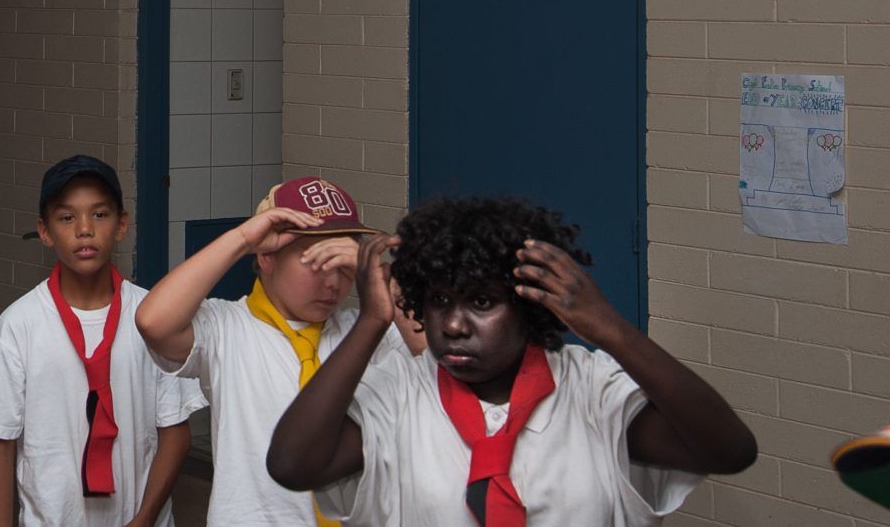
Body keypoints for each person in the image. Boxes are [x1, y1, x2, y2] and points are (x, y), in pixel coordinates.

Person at [266, 197, 759, 526]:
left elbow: (729, 451)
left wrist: (611, 329)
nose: (454, 325)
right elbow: (291, 465)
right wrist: (373, 321)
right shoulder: (398, 390)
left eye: (482, 303)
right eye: (439, 300)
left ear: (530, 306)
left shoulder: (591, 390)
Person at [135, 177, 424, 526]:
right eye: (317, 260)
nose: (333, 283)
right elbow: (153, 322)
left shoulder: (364, 331)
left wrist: (379, 276)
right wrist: (242, 239)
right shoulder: (229, 328)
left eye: (344, 266)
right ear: (268, 258)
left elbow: (432, 360)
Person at [0, 155, 206, 526]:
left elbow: (174, 432)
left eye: (100, 214)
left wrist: (145, 518)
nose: (84, 229)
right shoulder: (20, 324)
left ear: (122, 224)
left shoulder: (153, 318)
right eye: (67, 217)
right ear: (44, 231)